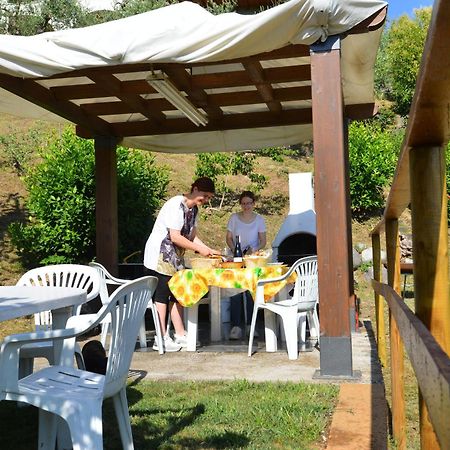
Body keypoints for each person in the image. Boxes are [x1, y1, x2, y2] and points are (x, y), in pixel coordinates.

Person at [144, 177, 220, 352]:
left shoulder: (194, 210)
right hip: (160, 256)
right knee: (162, 297)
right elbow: (175, 237)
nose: (206, 200)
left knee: (177, 293)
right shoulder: (175, 205)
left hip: (175, 258)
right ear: (194, 189)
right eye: (205, 196)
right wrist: (199, 250)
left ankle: (179, 333)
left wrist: (208, 249)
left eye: (209, 197)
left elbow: (191, 237)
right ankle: (161, 337)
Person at [226, 191, 267, 340]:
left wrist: (253, 250)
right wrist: (234, 249)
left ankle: (251, 325)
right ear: (240, 204)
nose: (246, 206)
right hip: (236, 258)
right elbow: (228, 238)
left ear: (253, 203)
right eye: (243, 203)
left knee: (250, 289)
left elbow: (263, 240)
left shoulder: (259, 219)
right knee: (236, 289)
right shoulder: (234, 218)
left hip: (252, 259)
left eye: (249, 203)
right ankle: (236, 326)